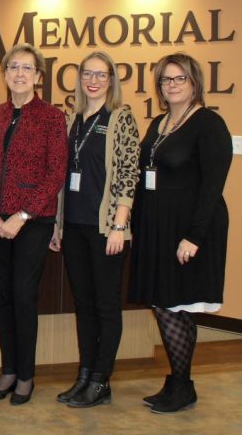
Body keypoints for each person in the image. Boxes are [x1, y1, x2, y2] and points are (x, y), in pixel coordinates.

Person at [128, 53, 232, 414]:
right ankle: (177, 379)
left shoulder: (208, 123)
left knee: (176, 304)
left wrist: (195, 236)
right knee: (163, 302)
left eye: (179, 79)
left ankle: (183, 384)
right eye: (165, 80)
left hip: (188, 230)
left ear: (195, 83)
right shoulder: (160, 122)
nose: (171, 85)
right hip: (157, 227)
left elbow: (212, 187)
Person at [0, 43, 67, 405]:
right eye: (14, 67)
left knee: (24, 295)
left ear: (39, 77)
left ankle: (26, 374)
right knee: (4, 295)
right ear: (6, 74)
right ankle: (8, 368)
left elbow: (55, 173)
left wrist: (21, 216)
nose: (20, 74)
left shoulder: (52, 118)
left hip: (33, 222)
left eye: (27, 68)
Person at [49, 51, 140, 408]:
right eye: (88, 73)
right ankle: (85, 375)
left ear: (112, 80)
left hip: (106, 230)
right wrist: (58, 225)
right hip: (74, 226)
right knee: (83, 305)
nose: (94, 80)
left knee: (106, 306)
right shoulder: (72, 119)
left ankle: (102, 380)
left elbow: (128, 172)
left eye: (102, 75)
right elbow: (62, 176)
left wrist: (120, 224)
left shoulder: (121, 118)